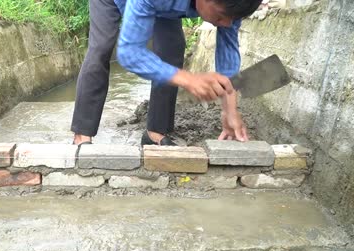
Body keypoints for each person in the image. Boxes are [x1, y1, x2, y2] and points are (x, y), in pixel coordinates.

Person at [70, 0, 262, 146]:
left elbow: (227, 56)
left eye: (234, 19)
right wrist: (188, 79)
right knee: (101, 48)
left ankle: (155, 133)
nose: (227, 24)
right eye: (221, 16)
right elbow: (130, 53)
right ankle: (82, 134)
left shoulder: (232, 6)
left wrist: (229, 111)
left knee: (172, 48)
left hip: (161, 6)